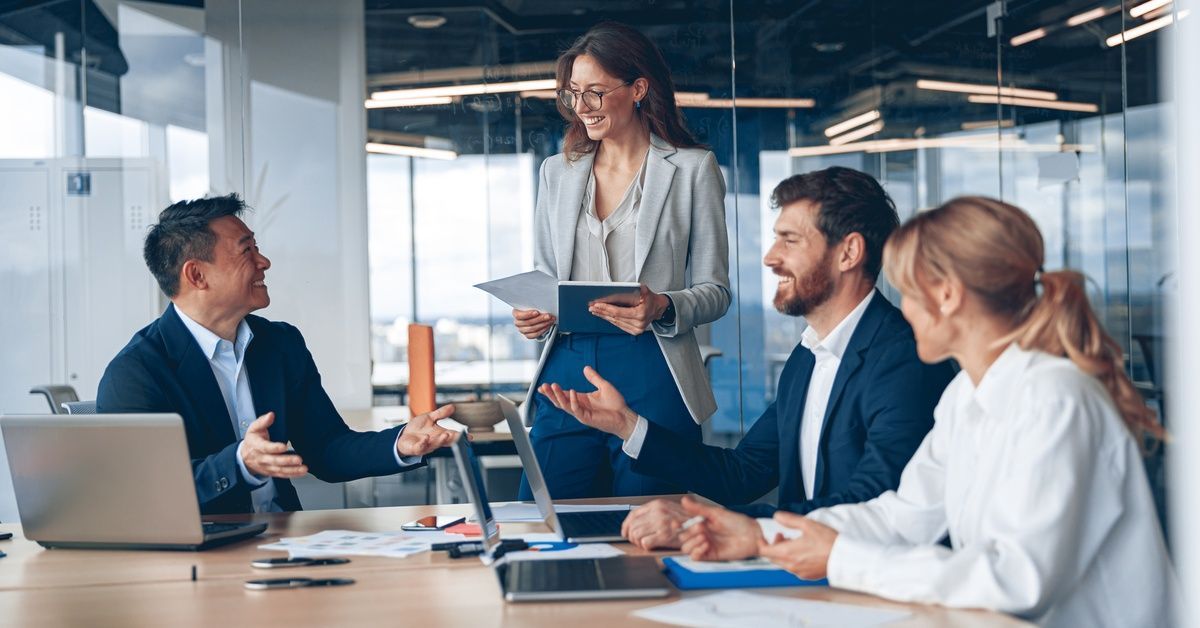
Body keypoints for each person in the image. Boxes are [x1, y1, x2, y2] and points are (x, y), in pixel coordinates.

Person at [678, 197, 1175, 627]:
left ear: (946, 295)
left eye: (908, 293)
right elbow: (903, 516)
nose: (903, 311)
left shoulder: (1056, 398)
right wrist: (762, 535)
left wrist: (839, 557)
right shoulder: (966, 394)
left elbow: (1016, 578)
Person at [539, 167, 954, 549]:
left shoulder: (906, 360)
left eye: (790, 240)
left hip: (864, 583)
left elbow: (871, 504)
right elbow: (742, 474)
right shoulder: (809, 356)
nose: (770, 257)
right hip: (800, 572)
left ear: (848, 253)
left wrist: (702, 524)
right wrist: (626, 424)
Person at [97, 195, 458, 515]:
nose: (264, 261)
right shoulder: (135, 372)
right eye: (247, 251)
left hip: (284, 543)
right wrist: (239, 464)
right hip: (202, 554)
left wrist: (399, 443)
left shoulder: (280, 344)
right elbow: (145, 493)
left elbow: (327, 449)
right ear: (197, 275)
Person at [513, 21, 731, 499]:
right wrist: (535, 314)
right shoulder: (558, 172)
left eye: (595, 92)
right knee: (548, 518)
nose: (582, 107)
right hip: (568, 363)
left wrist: (663, 306)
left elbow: (716, 291)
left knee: (650, 521)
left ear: (638, 89)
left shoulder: (693, 169)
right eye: (573, 93)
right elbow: (547, 276)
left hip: (654, 362)